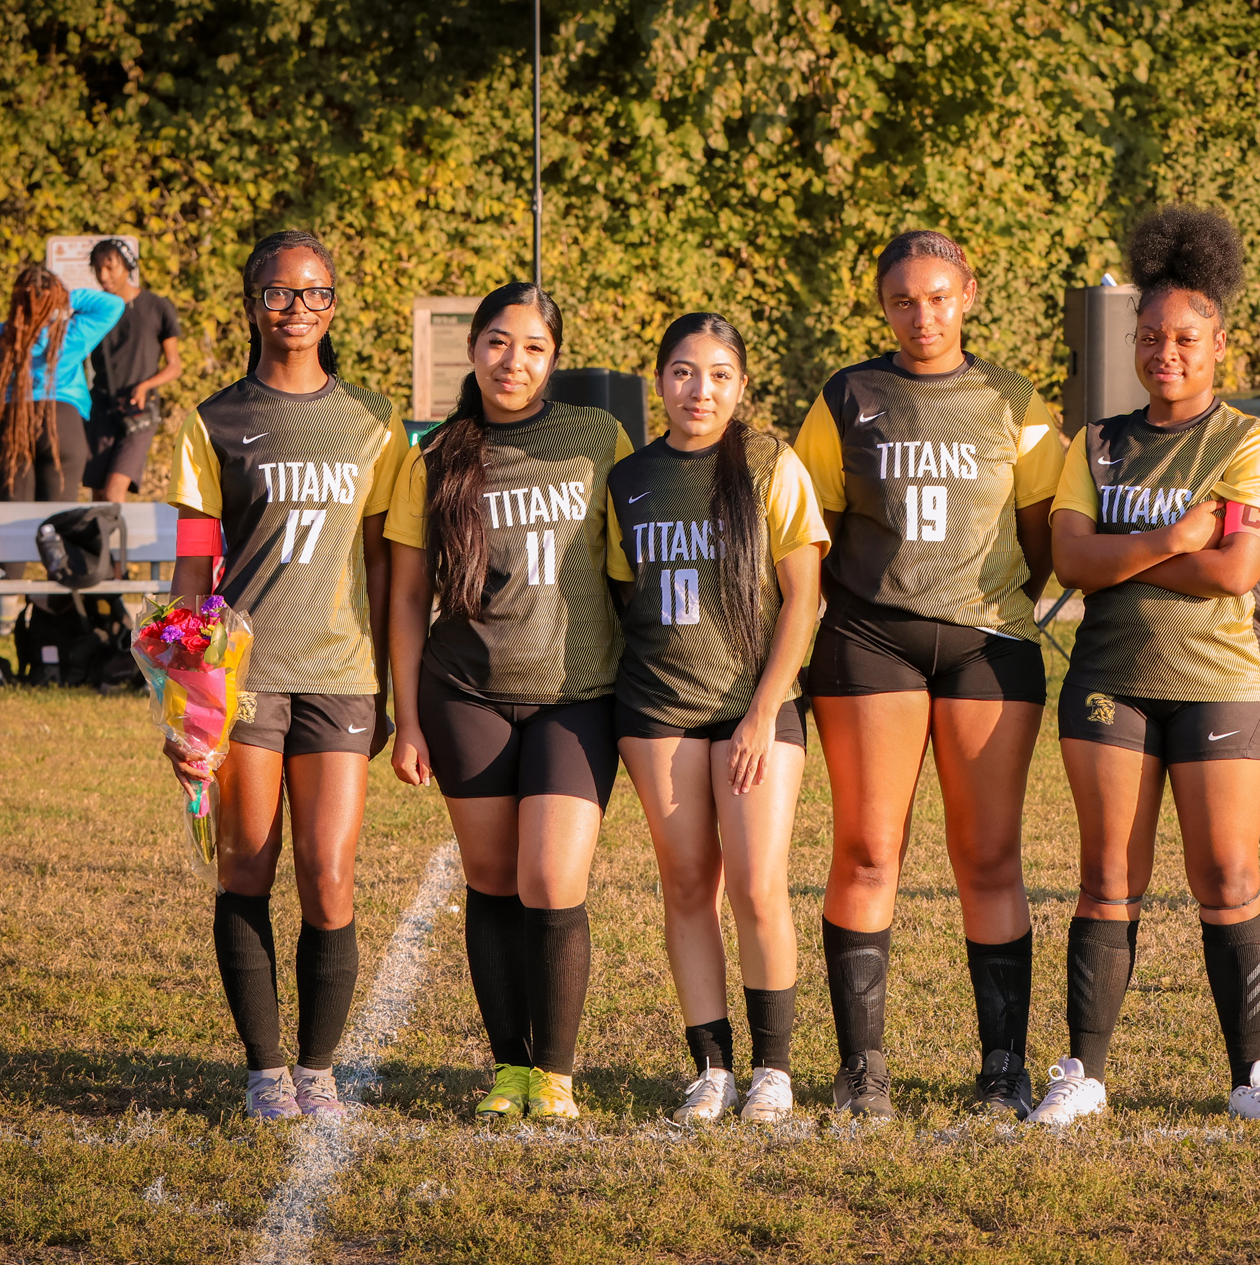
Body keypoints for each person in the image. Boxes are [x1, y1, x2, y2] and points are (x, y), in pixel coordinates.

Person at [1031, 207, 1260, 1129]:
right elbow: (1072, 561)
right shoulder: (1098, 442)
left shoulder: (1246, 441)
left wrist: (1126, 546)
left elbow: (1234, 569)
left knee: (1227, 874)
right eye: (1150, 338)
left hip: (1223, 678)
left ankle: (1253, 1075)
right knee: (1107, 875)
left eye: (1185, 338)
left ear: (1218, 342)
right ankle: (1083, 1071)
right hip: (1111, 677)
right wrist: (1170, 533)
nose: (1166, 354)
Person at [794, 229, 1064, 1120]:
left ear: (969, 294)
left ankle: (1002, 1069)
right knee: (869, 849)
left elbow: (1038, 540)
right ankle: (861, 1068)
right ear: (883, 305)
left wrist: (976, 600)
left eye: (939, 296)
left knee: (987, 854)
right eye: (904, 300)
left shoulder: (1015, 402)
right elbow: (815, 530)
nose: (923, 315)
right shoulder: (848, 396)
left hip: (989, 643)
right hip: (873, 640)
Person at [166, 230, 408, 1121]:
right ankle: (266, 1068)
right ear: (251, 304)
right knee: (246, 865)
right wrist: (190, 709)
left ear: (335, 304)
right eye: (278, 293)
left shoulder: (375, 421)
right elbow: (193, 579)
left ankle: (318, 1067)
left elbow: (385, 565)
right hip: (249, 678)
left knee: (329, 872)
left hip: (342, 674)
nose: (297, 309)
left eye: (314, 294)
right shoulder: (214, 421)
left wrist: (390, 683)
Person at [386, 283, 631, 1124]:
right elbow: (409, 595)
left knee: (553, 879)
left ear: (554, 358)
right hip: (465, 695)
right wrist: (408, 715)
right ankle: (509, 1067)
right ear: (473, 349)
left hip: (576, 695)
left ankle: (556, 1074)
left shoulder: (597, 438)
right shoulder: (438, 455)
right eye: (497, 342)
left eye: (531, 346)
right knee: (493, 880)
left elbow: (633, 562)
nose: (512, 361)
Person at [609, 314, 828, 1124]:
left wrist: (763, 711)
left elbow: (803, 595)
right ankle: (712, 1068)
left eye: (720, 374)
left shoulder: (769, 462)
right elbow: (622, 596)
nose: (701, 390)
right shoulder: (629, 478)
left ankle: (774, 1069)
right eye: (683, 372)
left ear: (742, 384)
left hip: (753, 711)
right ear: (660, 378)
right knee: (688, 886)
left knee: (760, 885)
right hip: (657, 710)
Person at [0, 264, 125, 577]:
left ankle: (4, 612)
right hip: (62, 425)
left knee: (13, 523)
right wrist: (60, 299)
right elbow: (112, 304)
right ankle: (60, 615)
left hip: (10, 425)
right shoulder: (69, 331)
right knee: (60, 525)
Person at [84, 239, 182, 504]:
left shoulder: (157, 307)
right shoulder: (94, 312)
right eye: (97, 269)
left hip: (139, 410)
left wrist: (145, 386)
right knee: (98, 495)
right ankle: (104, 546)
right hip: (101, 408)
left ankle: (116, 546)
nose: (103, 276)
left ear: (127, 267)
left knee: (115, 490)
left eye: (110, 267)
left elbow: (175, 366)